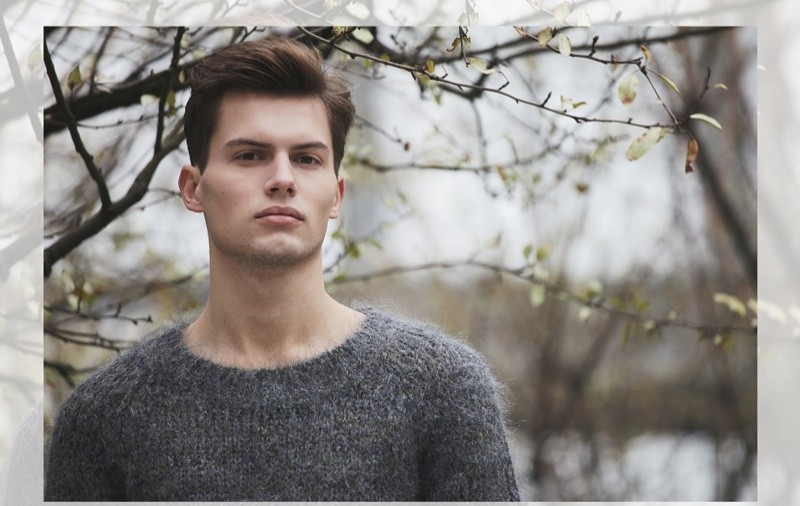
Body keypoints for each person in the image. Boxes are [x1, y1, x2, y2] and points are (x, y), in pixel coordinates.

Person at [44, 33, 520, 502]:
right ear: (193, 188)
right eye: (250, 155)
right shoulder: (106, 418)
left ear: (336, 196)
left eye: (307, 158)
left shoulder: (442, 390)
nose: (282, 179)